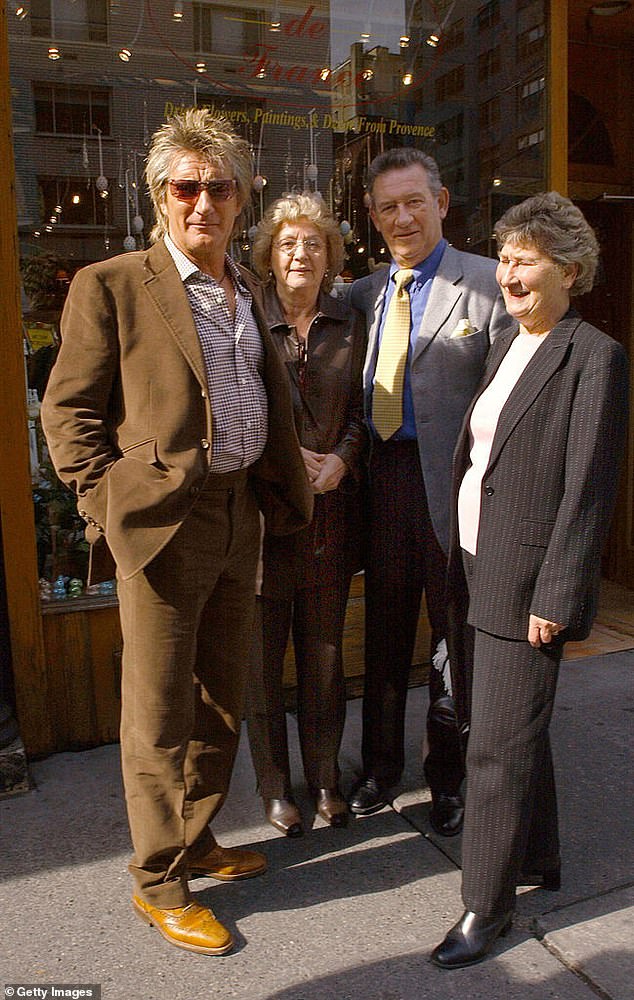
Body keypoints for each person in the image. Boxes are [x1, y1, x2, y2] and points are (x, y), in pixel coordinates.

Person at [41, 108, 312, 958]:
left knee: (223, 695)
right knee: (157, 711)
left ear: (241, 198)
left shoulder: (246, 286)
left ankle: (196, 836)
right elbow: (68, 412)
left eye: (218, 186)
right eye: (186, 187)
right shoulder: (113, 282)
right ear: (161, 196)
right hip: (162, 523)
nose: (203, 201)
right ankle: (158, 879)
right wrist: (105, 502)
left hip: (239, 513)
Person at [431, 192, 629, 969]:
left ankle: (487, 907)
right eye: (505, 257)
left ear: (569, 271)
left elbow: (589, 489)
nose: (507, 273)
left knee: (497, 749)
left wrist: (559, 592)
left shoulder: (594, 355)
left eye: (524, 261)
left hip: (526, 584)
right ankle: (539, 855)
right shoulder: (506, 342)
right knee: (508, 728)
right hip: (476, 566)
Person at [348, 147, 512, 834]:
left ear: (441, 202)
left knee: (451, 644)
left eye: (414, 201)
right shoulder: (359, 295)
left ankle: (448, 778)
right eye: (388, 206)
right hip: (381, 485)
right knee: (384, 638)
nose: (402, 216)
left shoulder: (488, 284)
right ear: (374, 217)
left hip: (451, 488)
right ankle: (382, 769)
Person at [245, 192, 367, 836]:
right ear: (270, 253)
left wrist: (342, 459)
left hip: (330, 518)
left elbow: (364, 413)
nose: (300, 254)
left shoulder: (351, 322)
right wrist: (289, 459)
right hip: (263, 518)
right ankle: (273, 788)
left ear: (330, 257)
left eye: (313, 244)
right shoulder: (246, 316)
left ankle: (324, 779)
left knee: (322, 659)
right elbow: (233, 407)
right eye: (288, 243)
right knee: (262, 667)